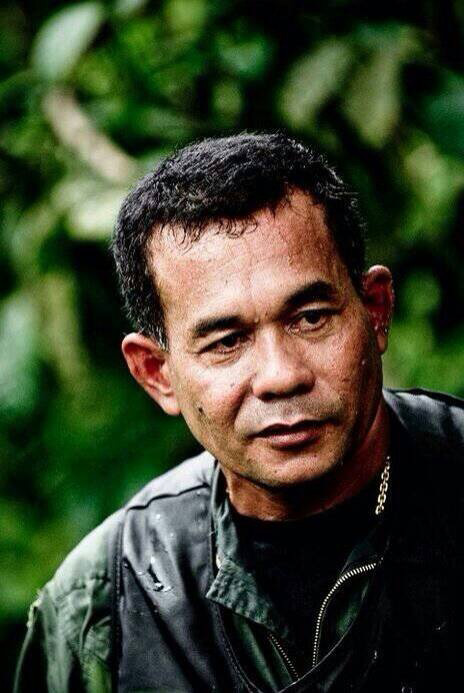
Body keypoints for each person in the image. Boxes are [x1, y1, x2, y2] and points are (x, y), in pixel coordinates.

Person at [14, 132, 463, 693]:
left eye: (311, 317)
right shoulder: (109, 601)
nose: (280, 375)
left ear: (375, 311)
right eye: (226, 342)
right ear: (157, 374)